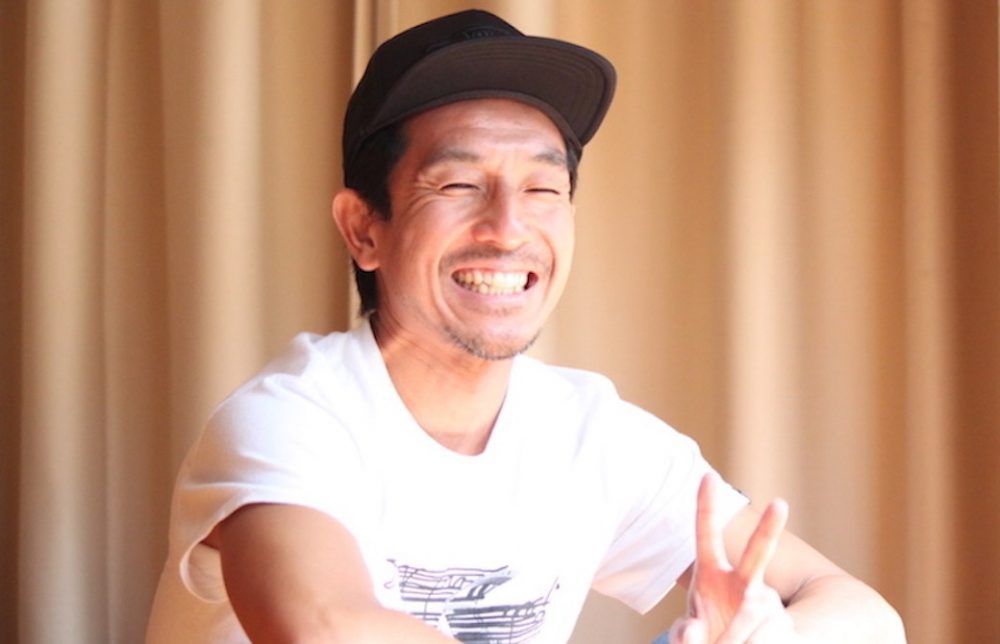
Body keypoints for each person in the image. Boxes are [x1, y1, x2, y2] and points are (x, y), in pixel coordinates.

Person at [147, 10, 906, 644]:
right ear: (363, 229)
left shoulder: (592, 436)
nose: (508, 228)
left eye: (544, 188)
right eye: (458, 183)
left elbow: (866, 615)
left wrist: (768, 635)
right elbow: (325, 628)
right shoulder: (287, 421)